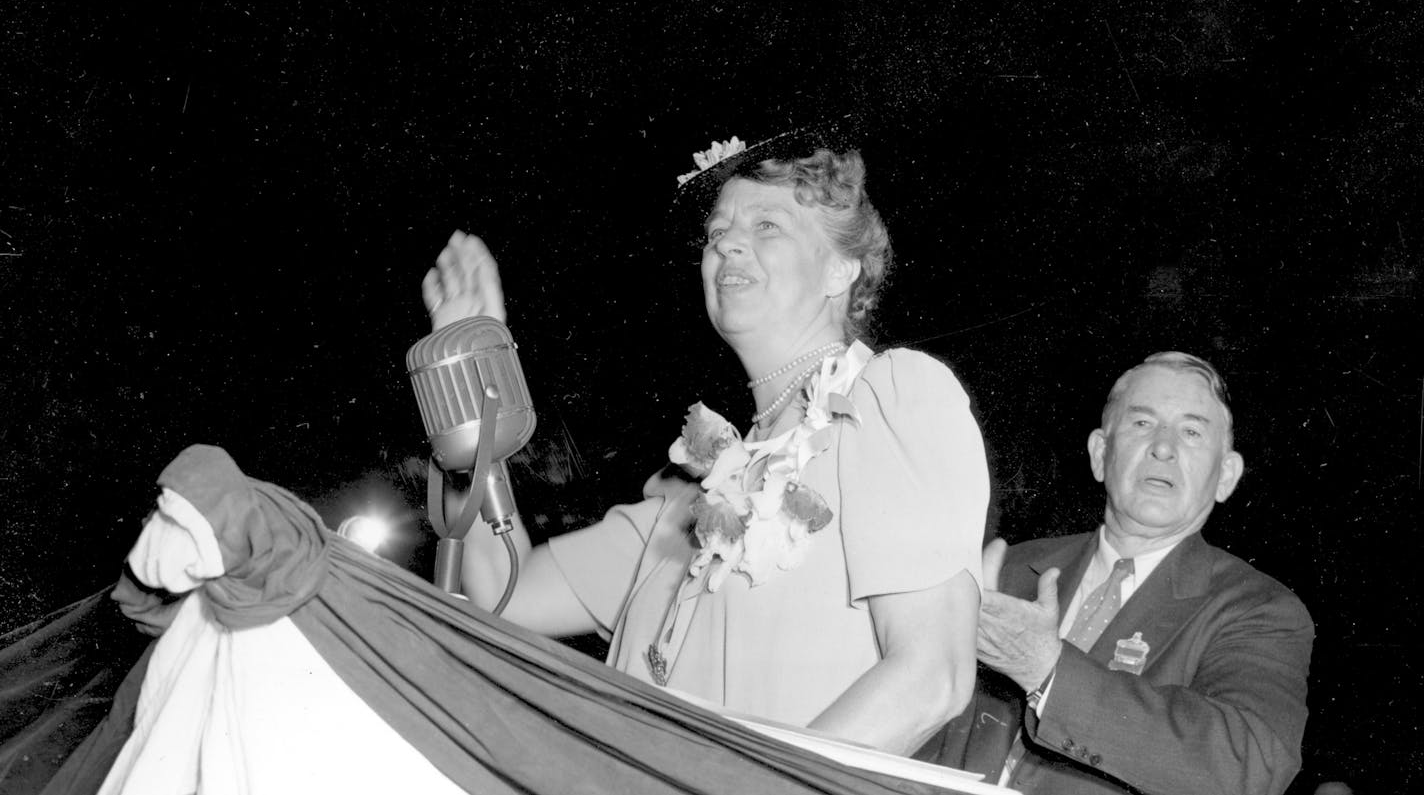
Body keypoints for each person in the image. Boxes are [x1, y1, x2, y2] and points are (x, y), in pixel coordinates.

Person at [419, 134, 990, 756]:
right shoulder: (688, 496)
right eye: (716, 231)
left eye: (767, 223)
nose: (726, 242)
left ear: (840, 269)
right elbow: (508, 594)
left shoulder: (894, 397)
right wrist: (469, 393)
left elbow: (933, 678)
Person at [923, 352, 1313, 794]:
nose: (1163, 447)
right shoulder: (1005, 570)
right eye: (1142, 423)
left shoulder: (1259, 609)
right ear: (1100, 453)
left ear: (1225, 476)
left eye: (1191, 431)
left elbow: (1249, 765)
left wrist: (1047, 670)